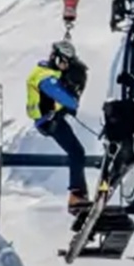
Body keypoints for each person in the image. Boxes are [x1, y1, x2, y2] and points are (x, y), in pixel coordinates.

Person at [25, 40, 90, 214]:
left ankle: (80, 194)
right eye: (64, 62)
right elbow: (66, 99)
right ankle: (77, 196)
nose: (65, 66)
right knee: (76, 152)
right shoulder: (45, 77)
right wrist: (73, 94)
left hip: (52, 119)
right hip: (49, 122)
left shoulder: (47, 72)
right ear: (57, 58)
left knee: (77, 152)